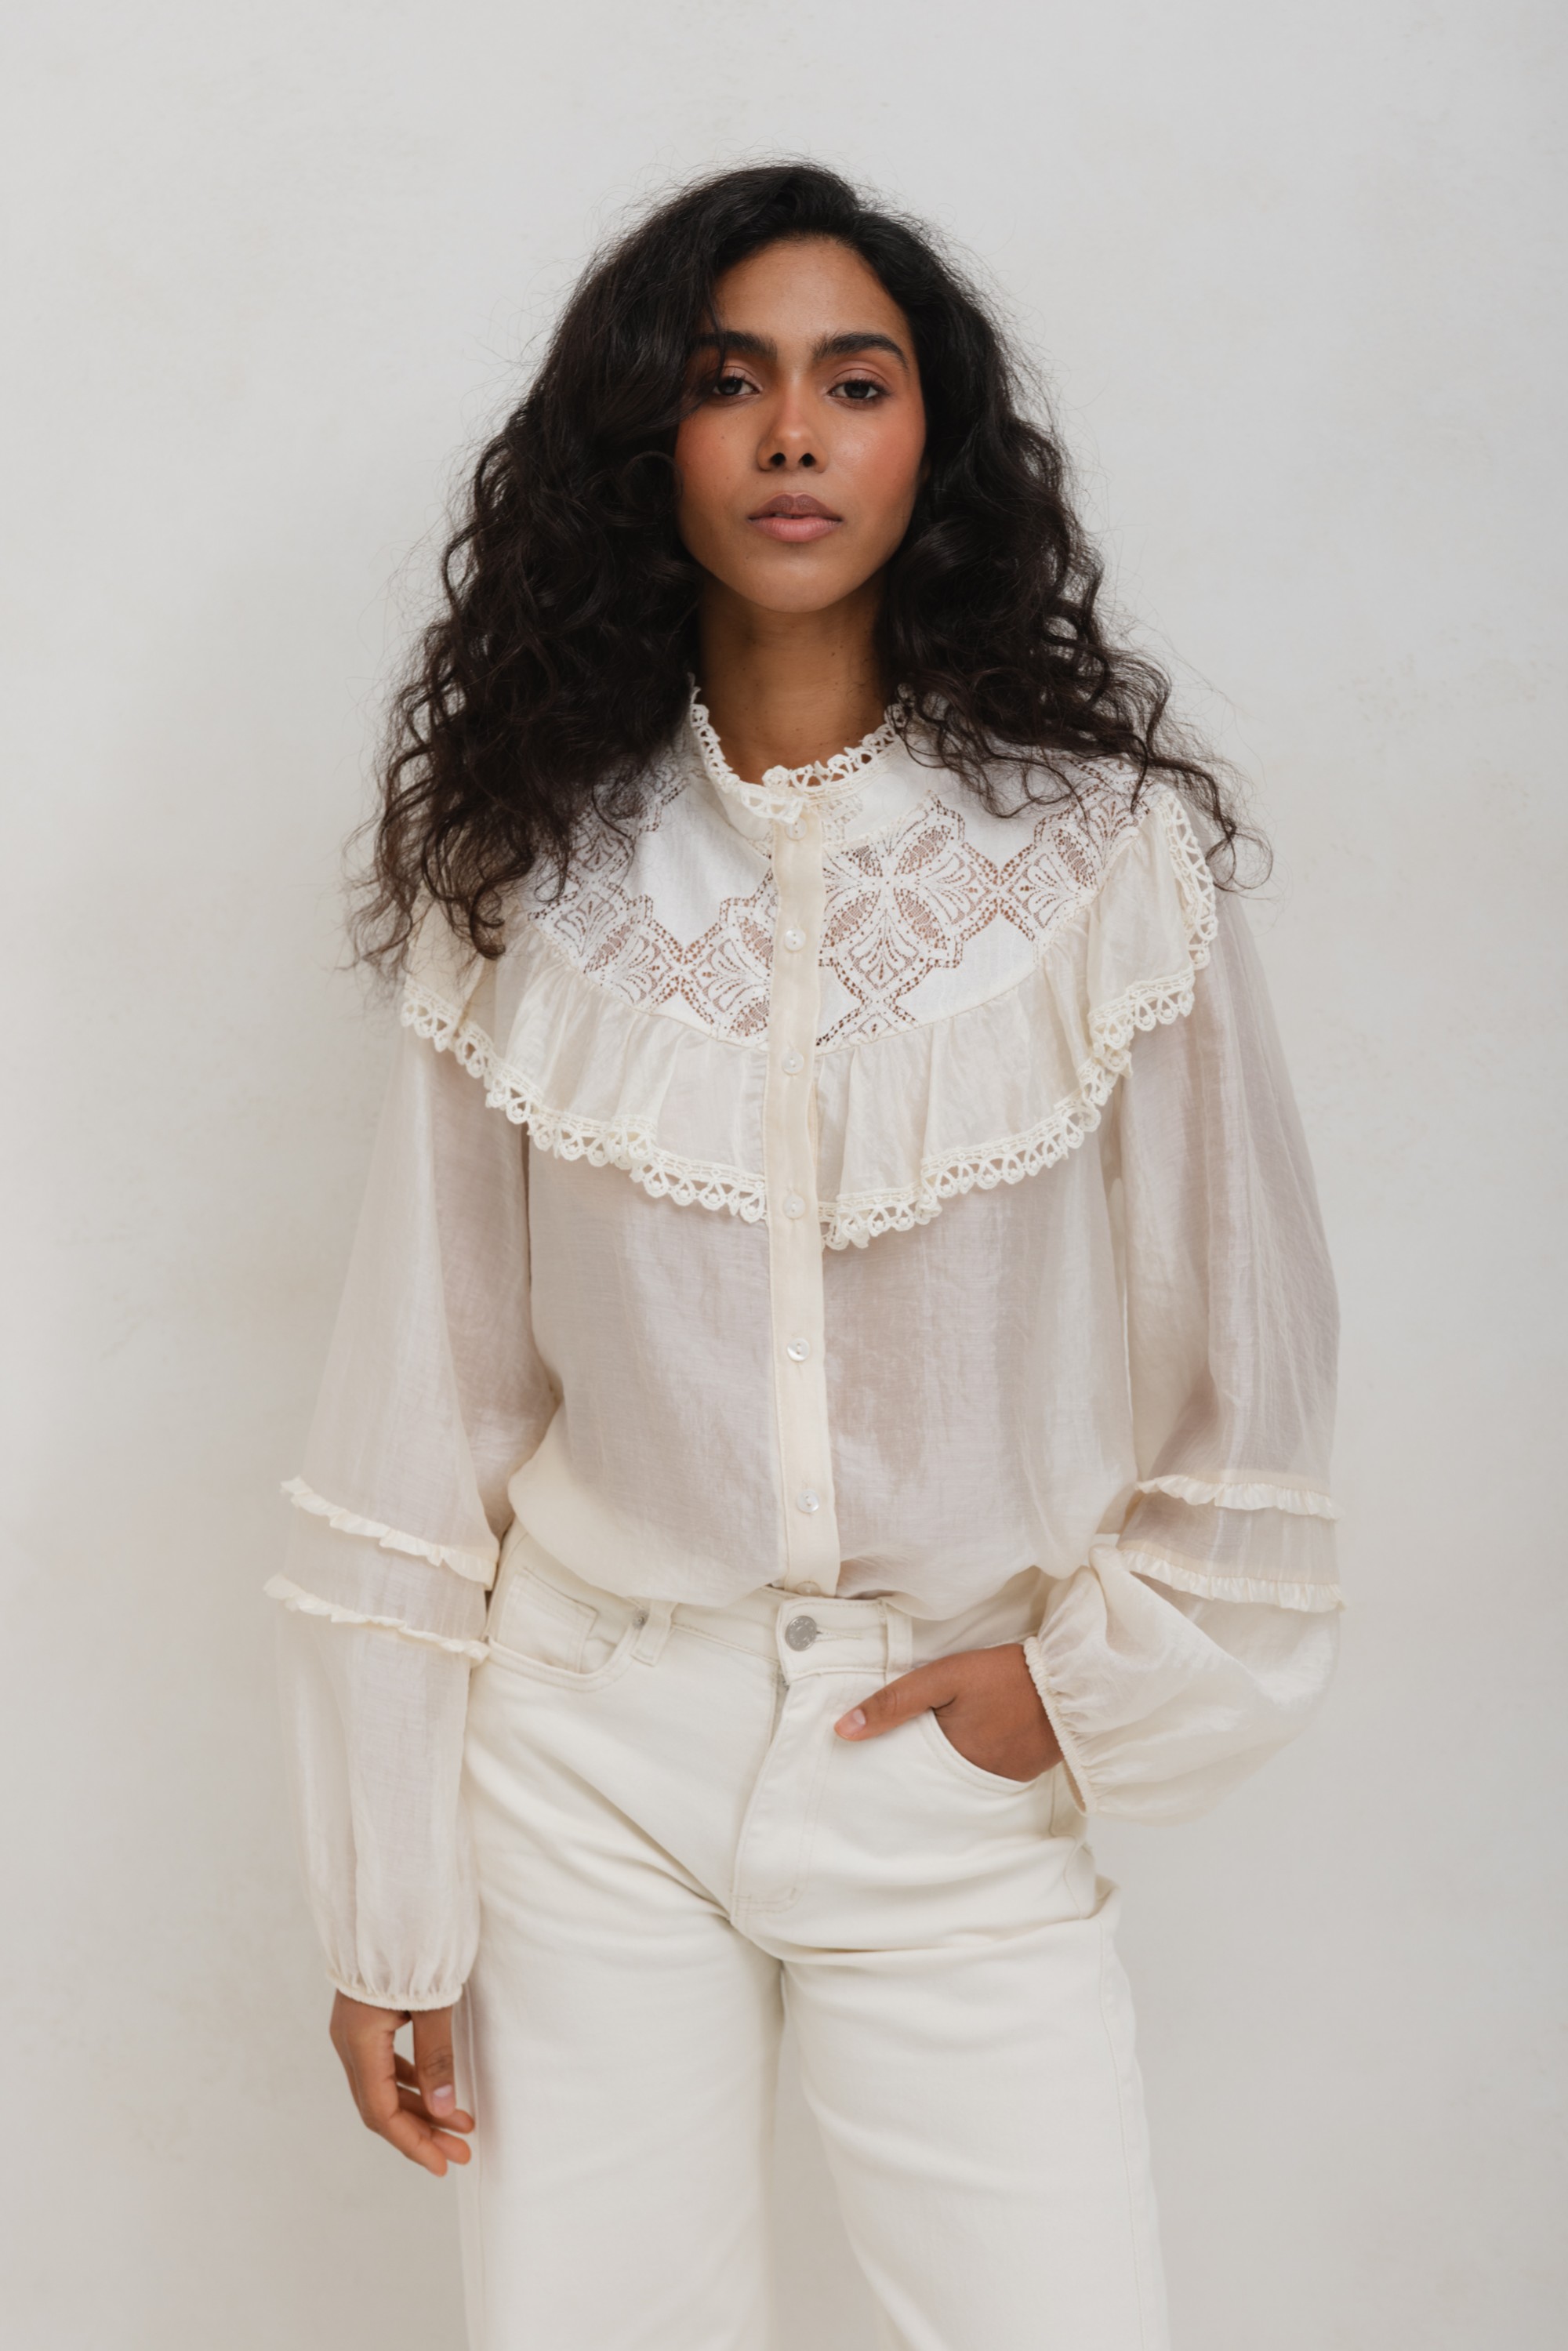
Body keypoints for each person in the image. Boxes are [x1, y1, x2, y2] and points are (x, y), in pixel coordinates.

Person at [270, 162, 1341, 2351]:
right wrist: (388, 1903)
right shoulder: (528, 865)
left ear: (933, 441)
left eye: (855, 384)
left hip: (943, 1744)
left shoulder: (1103, 853)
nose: (789, 435)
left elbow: (1254, 1359)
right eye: (725, 380)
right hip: (584, 1754)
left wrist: (1072, 1693)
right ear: (645, 440)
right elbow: (429, 1390)